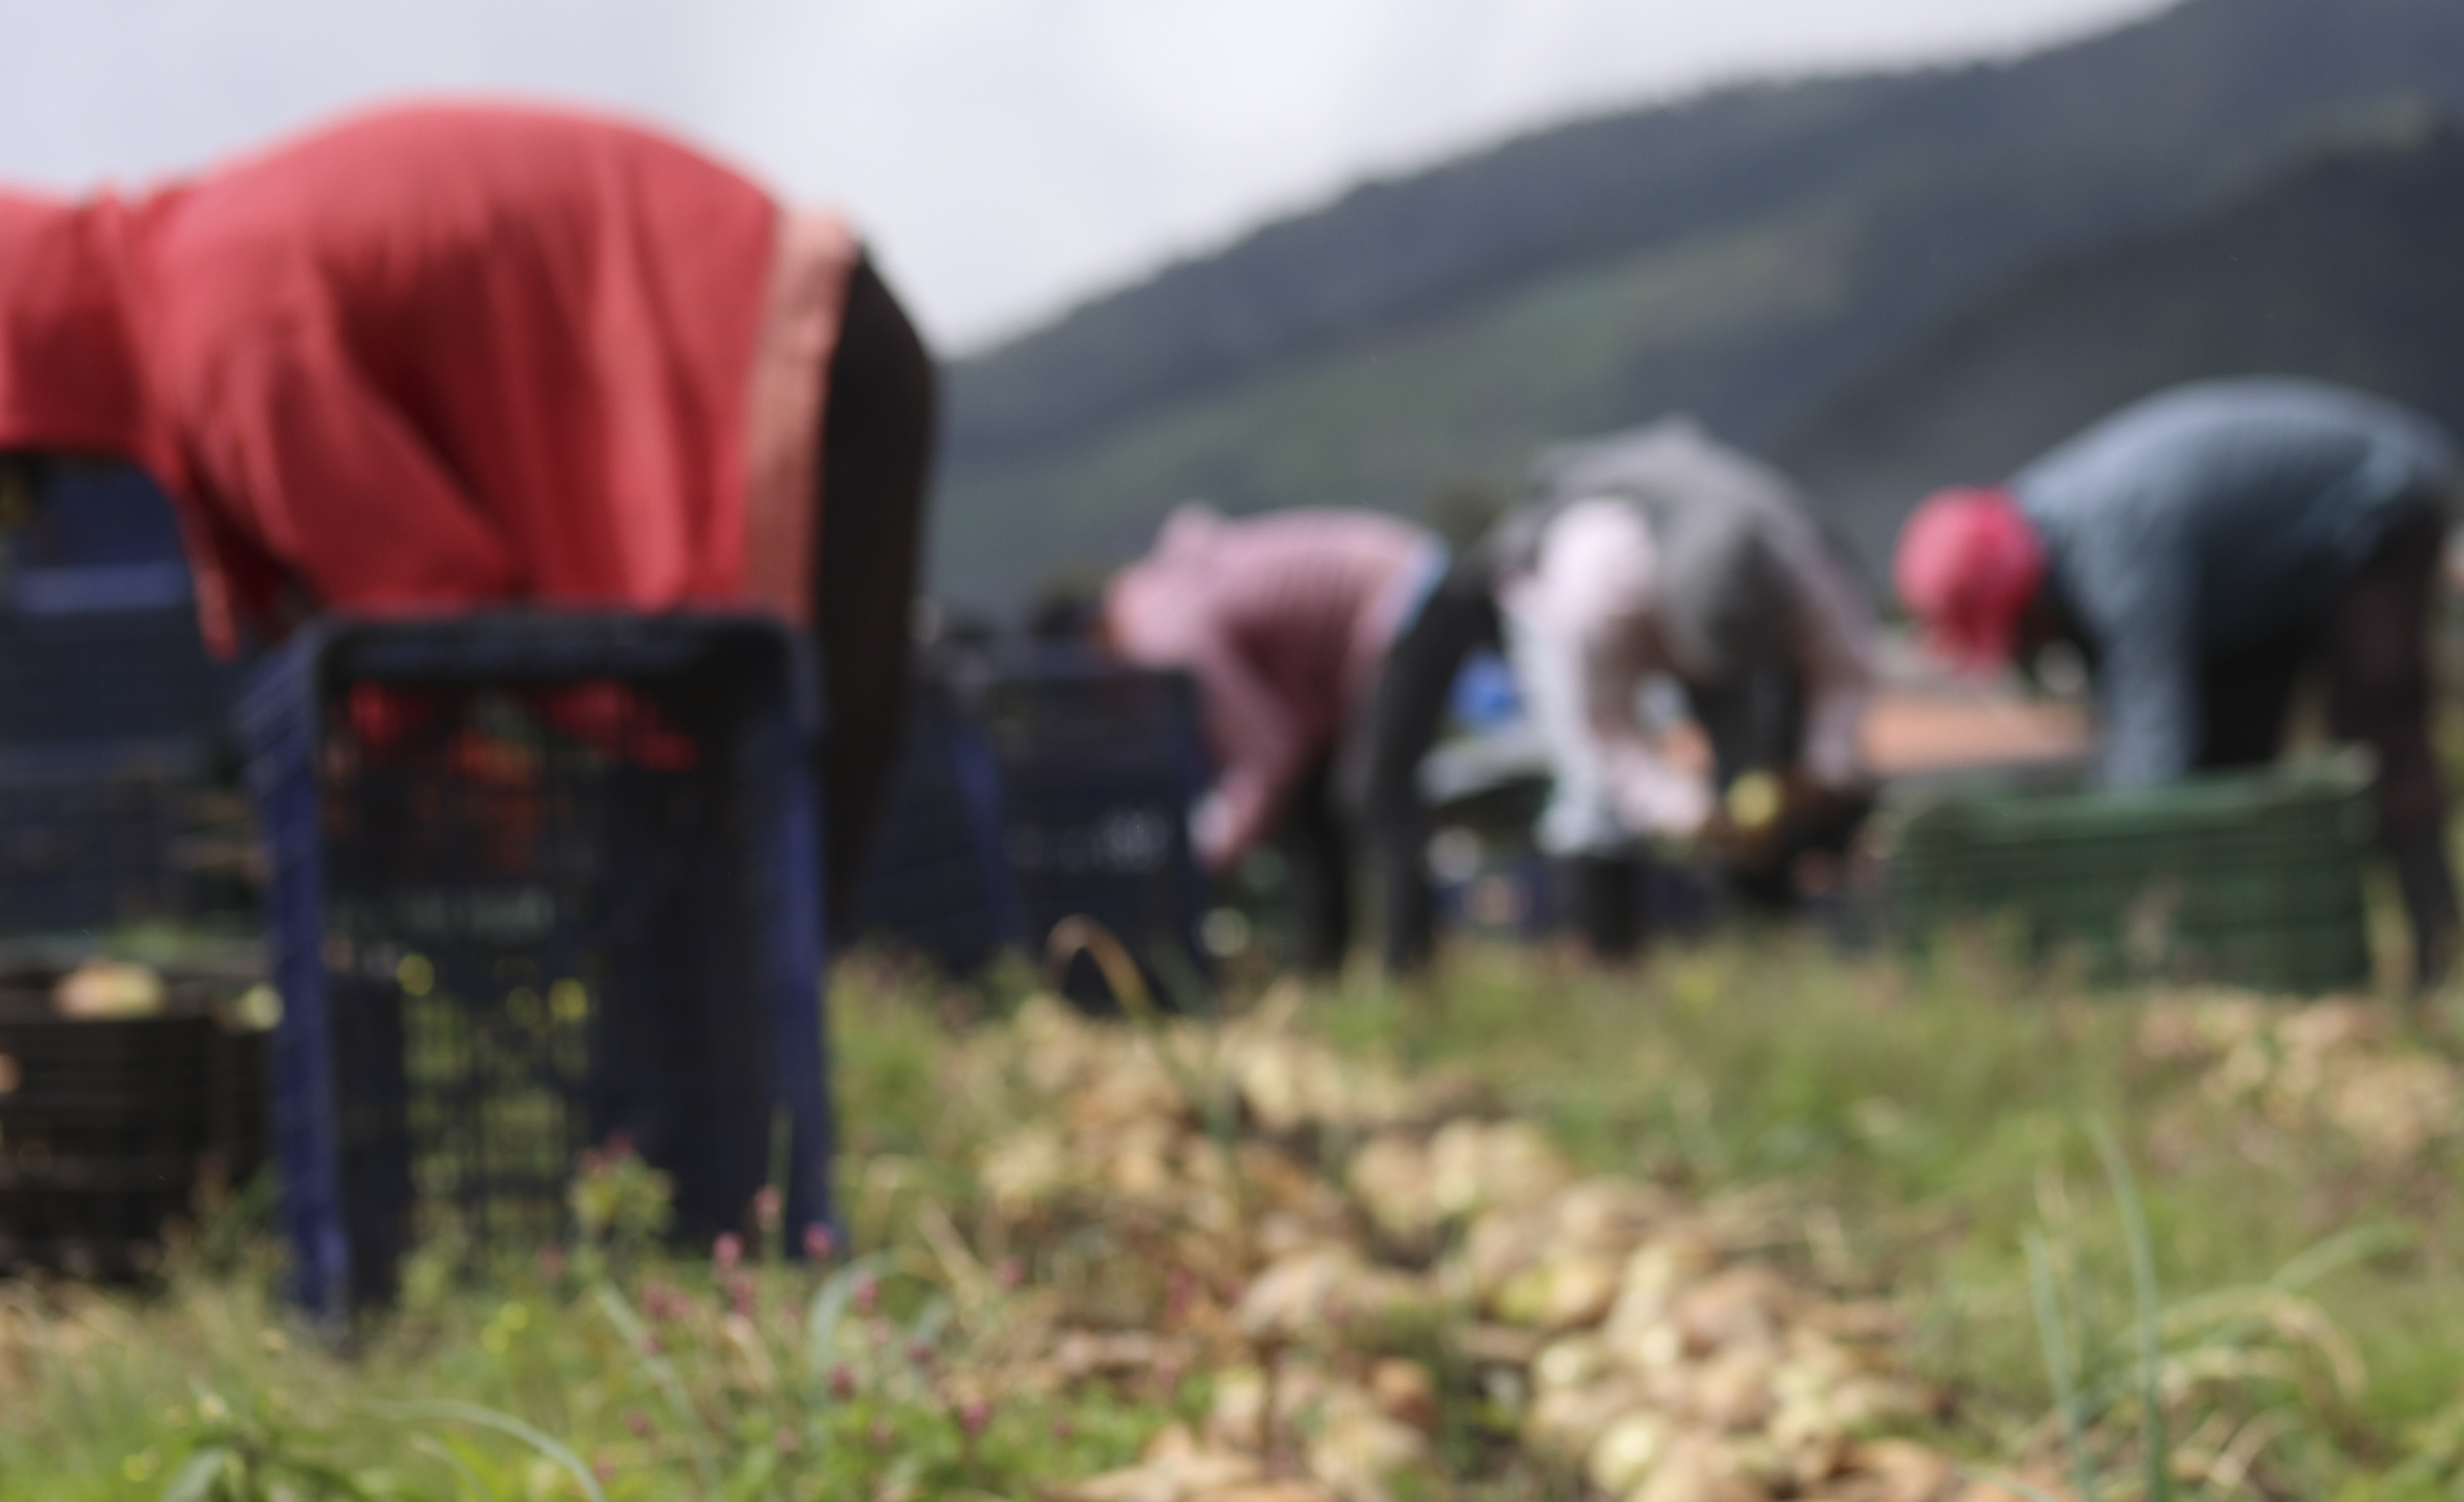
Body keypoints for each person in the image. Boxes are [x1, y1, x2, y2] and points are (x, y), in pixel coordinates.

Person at [0, 99, 936, 905]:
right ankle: (680, 1116)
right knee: (717, 887)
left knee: (750, 877)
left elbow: (425, 601)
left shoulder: (218, 329)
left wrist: (355, 771)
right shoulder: (197, 279)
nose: (67, 483)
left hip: (790, 359)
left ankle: (713, 1118)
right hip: (780, 343)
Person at [1897, 379, 2464, 986]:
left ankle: (2442, 952)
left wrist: (2108, 883)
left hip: (2371, 505)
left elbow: (2153, 731)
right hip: (2256, 577)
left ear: (2024, 601)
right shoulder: (2043, 535)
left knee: (2379, 729)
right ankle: (2255, 963)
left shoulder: (2115, 545)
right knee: (2231, 760)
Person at [1479, 419, 1878, 962]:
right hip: (1560, 604)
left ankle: (1771, 949)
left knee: (1752, 765)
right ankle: (1611, 969)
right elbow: (1606, 733)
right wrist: (1687, 815)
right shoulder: (1590, 585)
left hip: (1711, 612)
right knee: (1593, 797)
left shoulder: (1799, 565)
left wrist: (1820, 770)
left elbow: (1845, 672)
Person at [1098, 504, 1482, 973]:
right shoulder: (1161, 600)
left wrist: (1209, 856)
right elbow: (1286, 739)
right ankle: (1323, 968)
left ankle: (1410, 976)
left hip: (1407, 598)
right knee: (1313, 809)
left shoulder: (1167, 638)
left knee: (1376, 796)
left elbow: (1270, 757)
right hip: (1387, 603)